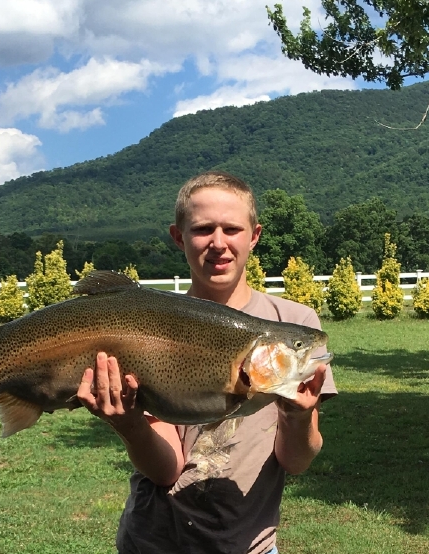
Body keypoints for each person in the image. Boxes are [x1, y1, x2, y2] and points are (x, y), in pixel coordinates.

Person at [76, 171, 337, 554]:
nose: (219, 243)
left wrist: (299, 416)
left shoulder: (293, 326)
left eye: (232, 228)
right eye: (203, 229)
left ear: (255, 235)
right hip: (154, 543)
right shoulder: (150, 325)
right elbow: (167, 470)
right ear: (178, 236)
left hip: (251, 547)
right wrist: (129, 423)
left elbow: (296, 461)